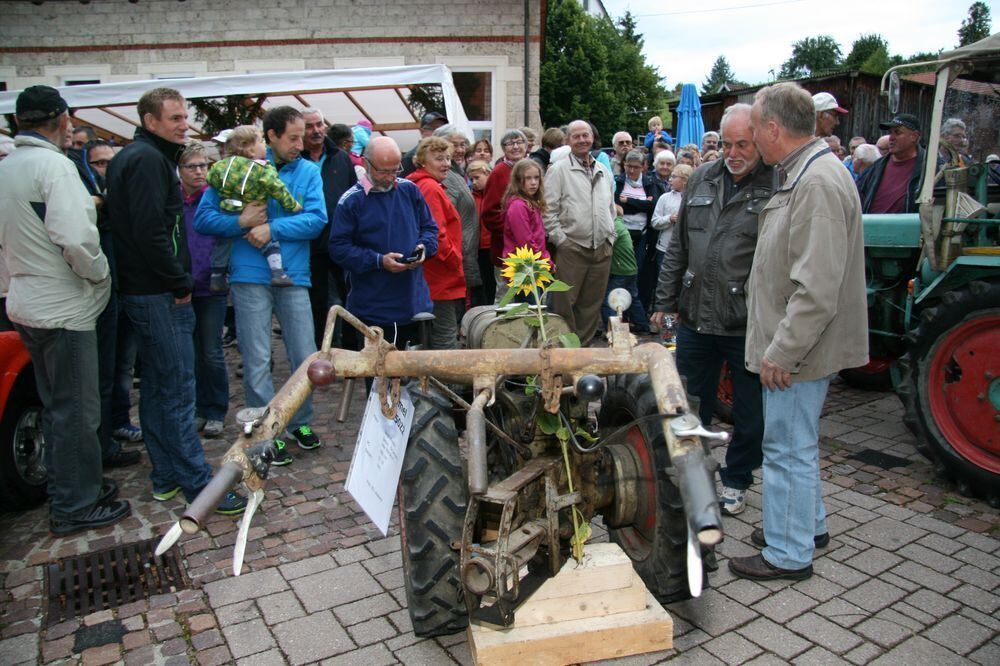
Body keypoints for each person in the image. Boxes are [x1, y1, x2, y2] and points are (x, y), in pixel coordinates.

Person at [729, 82, 867, 582]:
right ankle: (807, 527)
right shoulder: (808, 172)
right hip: (800, 343)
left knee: (786, 447)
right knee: (798, 443)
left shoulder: (816, 182)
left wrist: (782, 352)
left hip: (800, 348)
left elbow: (817, 289)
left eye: (753, 131)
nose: (749, 141)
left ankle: (788, 554)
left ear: (772, 129)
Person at [0, 85, 130, 535]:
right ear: (61, 119)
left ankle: (78, 486)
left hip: (28, 301)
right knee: (76, 409)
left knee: (58, 404)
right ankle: (74, 504)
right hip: (62, 307)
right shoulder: (53, 166)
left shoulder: (9, 166)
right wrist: (99, 274)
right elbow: (75, 237)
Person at [107, 88, 244, 514]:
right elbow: (152, 232)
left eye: (185, 116)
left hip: (146, 288)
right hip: (156, 291)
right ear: (151, 122)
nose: (184, 124)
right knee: (177, 390)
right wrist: (179, 280)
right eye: (175, 118)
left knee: (158, 388)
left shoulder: (138, 156)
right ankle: (197, 483)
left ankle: (165, 475)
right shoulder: (147, 160)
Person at [652, 102, 772, 516]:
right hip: (695, 318)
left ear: (759, 140)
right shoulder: (702, 177)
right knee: (684, 402)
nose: (734, 153)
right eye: (727, 143)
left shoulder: (776, 183)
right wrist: (664, 304)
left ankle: (737, 478)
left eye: (744, 143)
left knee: (750, 415)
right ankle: (694, 473)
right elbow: (679, 248)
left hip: (745, 322)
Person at [196, 106, 327, 464]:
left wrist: (272, 229)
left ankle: (300, 421)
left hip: (293, 275)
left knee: (304, 355)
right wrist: (240, 222)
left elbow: (317, 220)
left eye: (302, 136)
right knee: (257, 359)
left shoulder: (309, 171)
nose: (300, 144)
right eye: (293, 137)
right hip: (249, 275)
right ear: (270, 136)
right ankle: (267, 431)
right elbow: (203, 218)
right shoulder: (236, 165)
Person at [328, 136, 439, 350]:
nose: (390, 178)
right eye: (383, 171)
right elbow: (338, 248)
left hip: (414, 303)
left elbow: (430, 229)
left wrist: (425, 248)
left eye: (395, 170)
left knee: (415, 374)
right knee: (379, 377)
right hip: (374, 307)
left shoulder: (409, 190)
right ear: (366, 164)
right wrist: (379, 261)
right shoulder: (351, 200)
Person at [542, 120, 616, 346]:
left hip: (601, 248)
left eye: (586, 135)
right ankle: (563, 352)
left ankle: (582, 351)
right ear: (568, 141)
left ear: (592, 138)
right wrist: (561, 241)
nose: (582, 140)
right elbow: (548, 209)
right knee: (565, 304)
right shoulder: (559, 170)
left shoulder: (603, 170)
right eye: (577, 136)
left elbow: (611, 207)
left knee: (591, 305)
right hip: (572, 247)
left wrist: (610, 237)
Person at [206, 126, 302, 291]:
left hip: (228, 209)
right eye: (261, 141)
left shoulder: (221, 165)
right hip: (255, 211)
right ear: (249, 149)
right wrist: (293, 206)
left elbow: (210, 180)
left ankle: (217, 276)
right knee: (270, 243)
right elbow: (278, 189)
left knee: (223, 243)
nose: (265, 145)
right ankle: (278, 272)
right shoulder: (263, 169)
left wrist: (226, 190)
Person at [178, 142, 228, 439]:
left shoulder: (214, 197)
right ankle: (197, 407)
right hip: (182, 285)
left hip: (211, 284)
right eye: (191, 166)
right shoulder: (173, 200)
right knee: (191, 352)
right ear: (180, 170)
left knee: (211, 351)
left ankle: (215, 409)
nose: (198, 172)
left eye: (202, 166)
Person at [301, 108, 357, 350]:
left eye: (319, 124)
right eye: (309, 126)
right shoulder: (295, 160)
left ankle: (354, 350)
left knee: (351, 298)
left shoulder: (340, 157)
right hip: (310, 244)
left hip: (342, 241)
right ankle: (321, 352)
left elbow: (355, 195)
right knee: (317, 303)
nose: (316, 130)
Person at [406, 137, 466, 349]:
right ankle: (447, 382)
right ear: (422, 161)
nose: (446, 164)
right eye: (439, 158)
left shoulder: (423, 185)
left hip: (434, 274)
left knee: (434, 336)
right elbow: (437, 234)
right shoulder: (430, 188)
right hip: (439, 275)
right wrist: (455, 259)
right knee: (445, 338)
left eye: (448, 158)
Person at [433, 125, 481, 301]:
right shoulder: (445, 177)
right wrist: (454, 255)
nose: (460, 150)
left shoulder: (457, 173)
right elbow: (443, 221)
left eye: (463, 145)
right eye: (455, 145)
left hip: (464, 255)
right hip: (454, 258)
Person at [480, 129, 528, 300]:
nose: (515, 146)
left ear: (527, 145)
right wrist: (514, 231)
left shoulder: (532, 169)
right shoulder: (499, 173)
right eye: (510, 143)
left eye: (519, 142)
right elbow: (489, 214)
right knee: (506, 297)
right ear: (503, 148)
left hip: (532, 249)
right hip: (506, 249)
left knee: (531, 298)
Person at [614, 149, 659, 314]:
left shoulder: (649, 183)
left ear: (643, 167)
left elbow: (652, 205)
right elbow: (616, 204)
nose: (632, 170)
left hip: (642, 236)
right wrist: (639, 203)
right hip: (622, 235)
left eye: (636, 167)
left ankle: (636, 313)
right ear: (624, 165)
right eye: (628, 166)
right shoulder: (618, 181)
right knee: (621, 273)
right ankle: (621, 312)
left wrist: (629, 202)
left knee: (637, 272)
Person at [858, 113, 929, 214]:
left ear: (914, 136)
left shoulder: (929, 168)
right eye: (890, 132)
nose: (891, 138)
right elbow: (857, 196)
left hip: (908, 229)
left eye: (897, 132)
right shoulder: (876, 167)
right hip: (872, 228)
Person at [601, 206, 650, 334]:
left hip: (620, 270)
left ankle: (613, 331)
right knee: (633, 298)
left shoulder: (614, 227)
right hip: (630, 270)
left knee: (609, 300)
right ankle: (642, 325)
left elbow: (603, 243)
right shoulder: (622, 225)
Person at [502, 159, 550, 265]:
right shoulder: (518, 205)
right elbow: (526, 241)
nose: (533, 182)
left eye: (536, 178)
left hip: (533, 261)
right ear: (518, 180)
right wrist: (544, 260)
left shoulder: (530, 201)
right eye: (528, 178)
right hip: (523, 265)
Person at [649, 163, 692, 268]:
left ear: (685, 180)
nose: (670, 179)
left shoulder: (693, 198)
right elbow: (654, 222)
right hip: (665, 248)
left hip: (687, 249)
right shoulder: (665, 198)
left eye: (674, 176)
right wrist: (669, 218)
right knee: (664, 278)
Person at [467, 159, 496, 306]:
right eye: (471, 179)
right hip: (477, 247)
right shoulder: (471, 196)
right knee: (480, 283)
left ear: (488, 173)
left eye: (477, 178)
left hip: (492, 244)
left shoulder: (495, 193)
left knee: (493, 283)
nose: (474, 182)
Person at [401, 111, 448, 176]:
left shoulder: (447, 154)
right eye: (434, 129)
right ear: (422, 132)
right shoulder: (410, 157)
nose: (439, 133)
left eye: (443, 129)